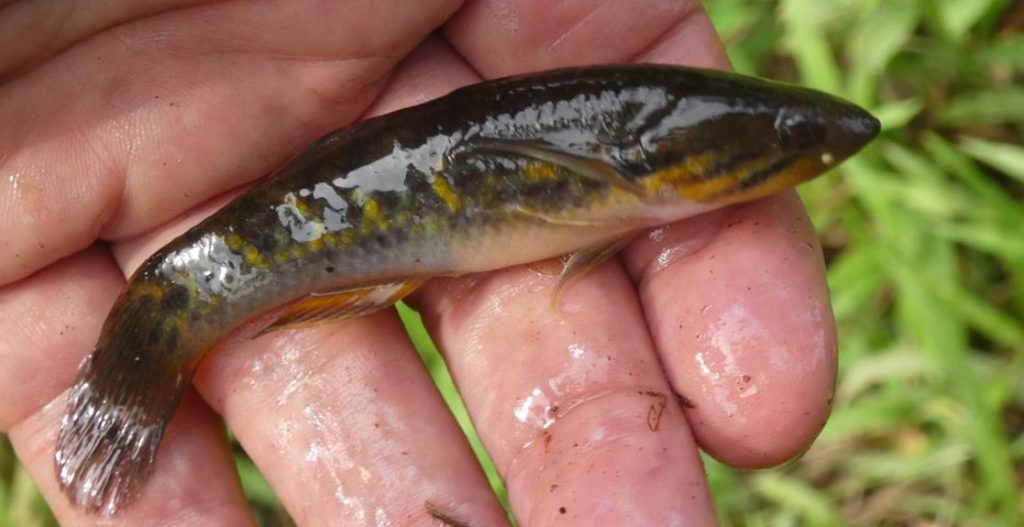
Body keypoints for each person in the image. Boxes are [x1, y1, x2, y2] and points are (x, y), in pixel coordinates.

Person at [0, 1, 837, 525]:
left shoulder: (640, 168)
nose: (836, 141)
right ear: (667, 149)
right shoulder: (633, 161)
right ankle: (155, 337)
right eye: (789, 136)